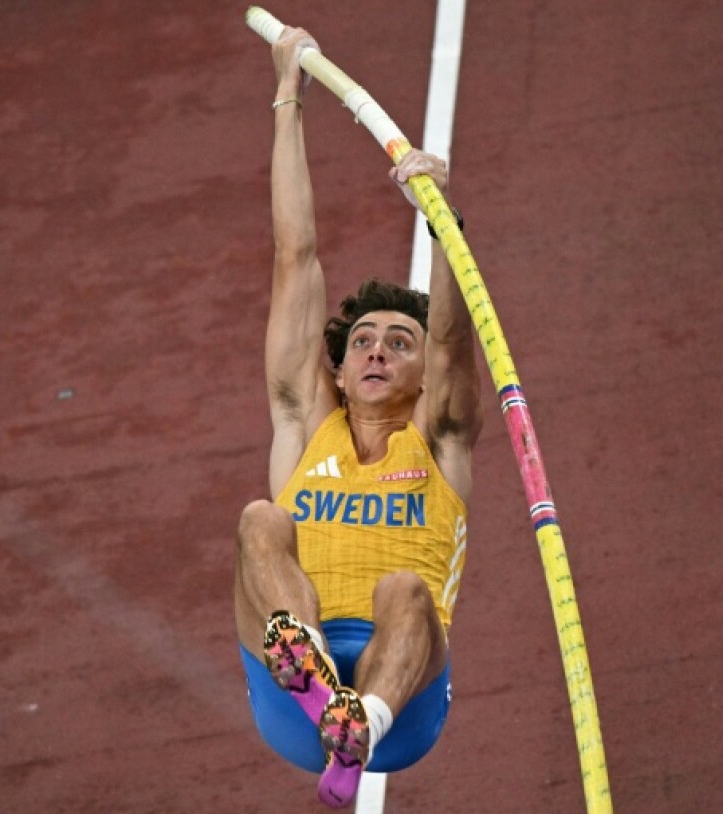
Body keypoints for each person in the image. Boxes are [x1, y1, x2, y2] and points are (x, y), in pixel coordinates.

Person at [234, 26, 484, 810]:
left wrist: (442, 221)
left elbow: (452, 335)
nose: (378, 352)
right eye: (364, 341)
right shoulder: (309, 427)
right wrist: (287, 98)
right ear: (337, 369)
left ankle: (357, 725)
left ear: (419, 374)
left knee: (406, 590)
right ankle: (311, 681)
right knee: (259, 522)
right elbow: (294, 256)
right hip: (290, 690)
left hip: (401, 699)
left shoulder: (438, 439)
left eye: (397, 344)